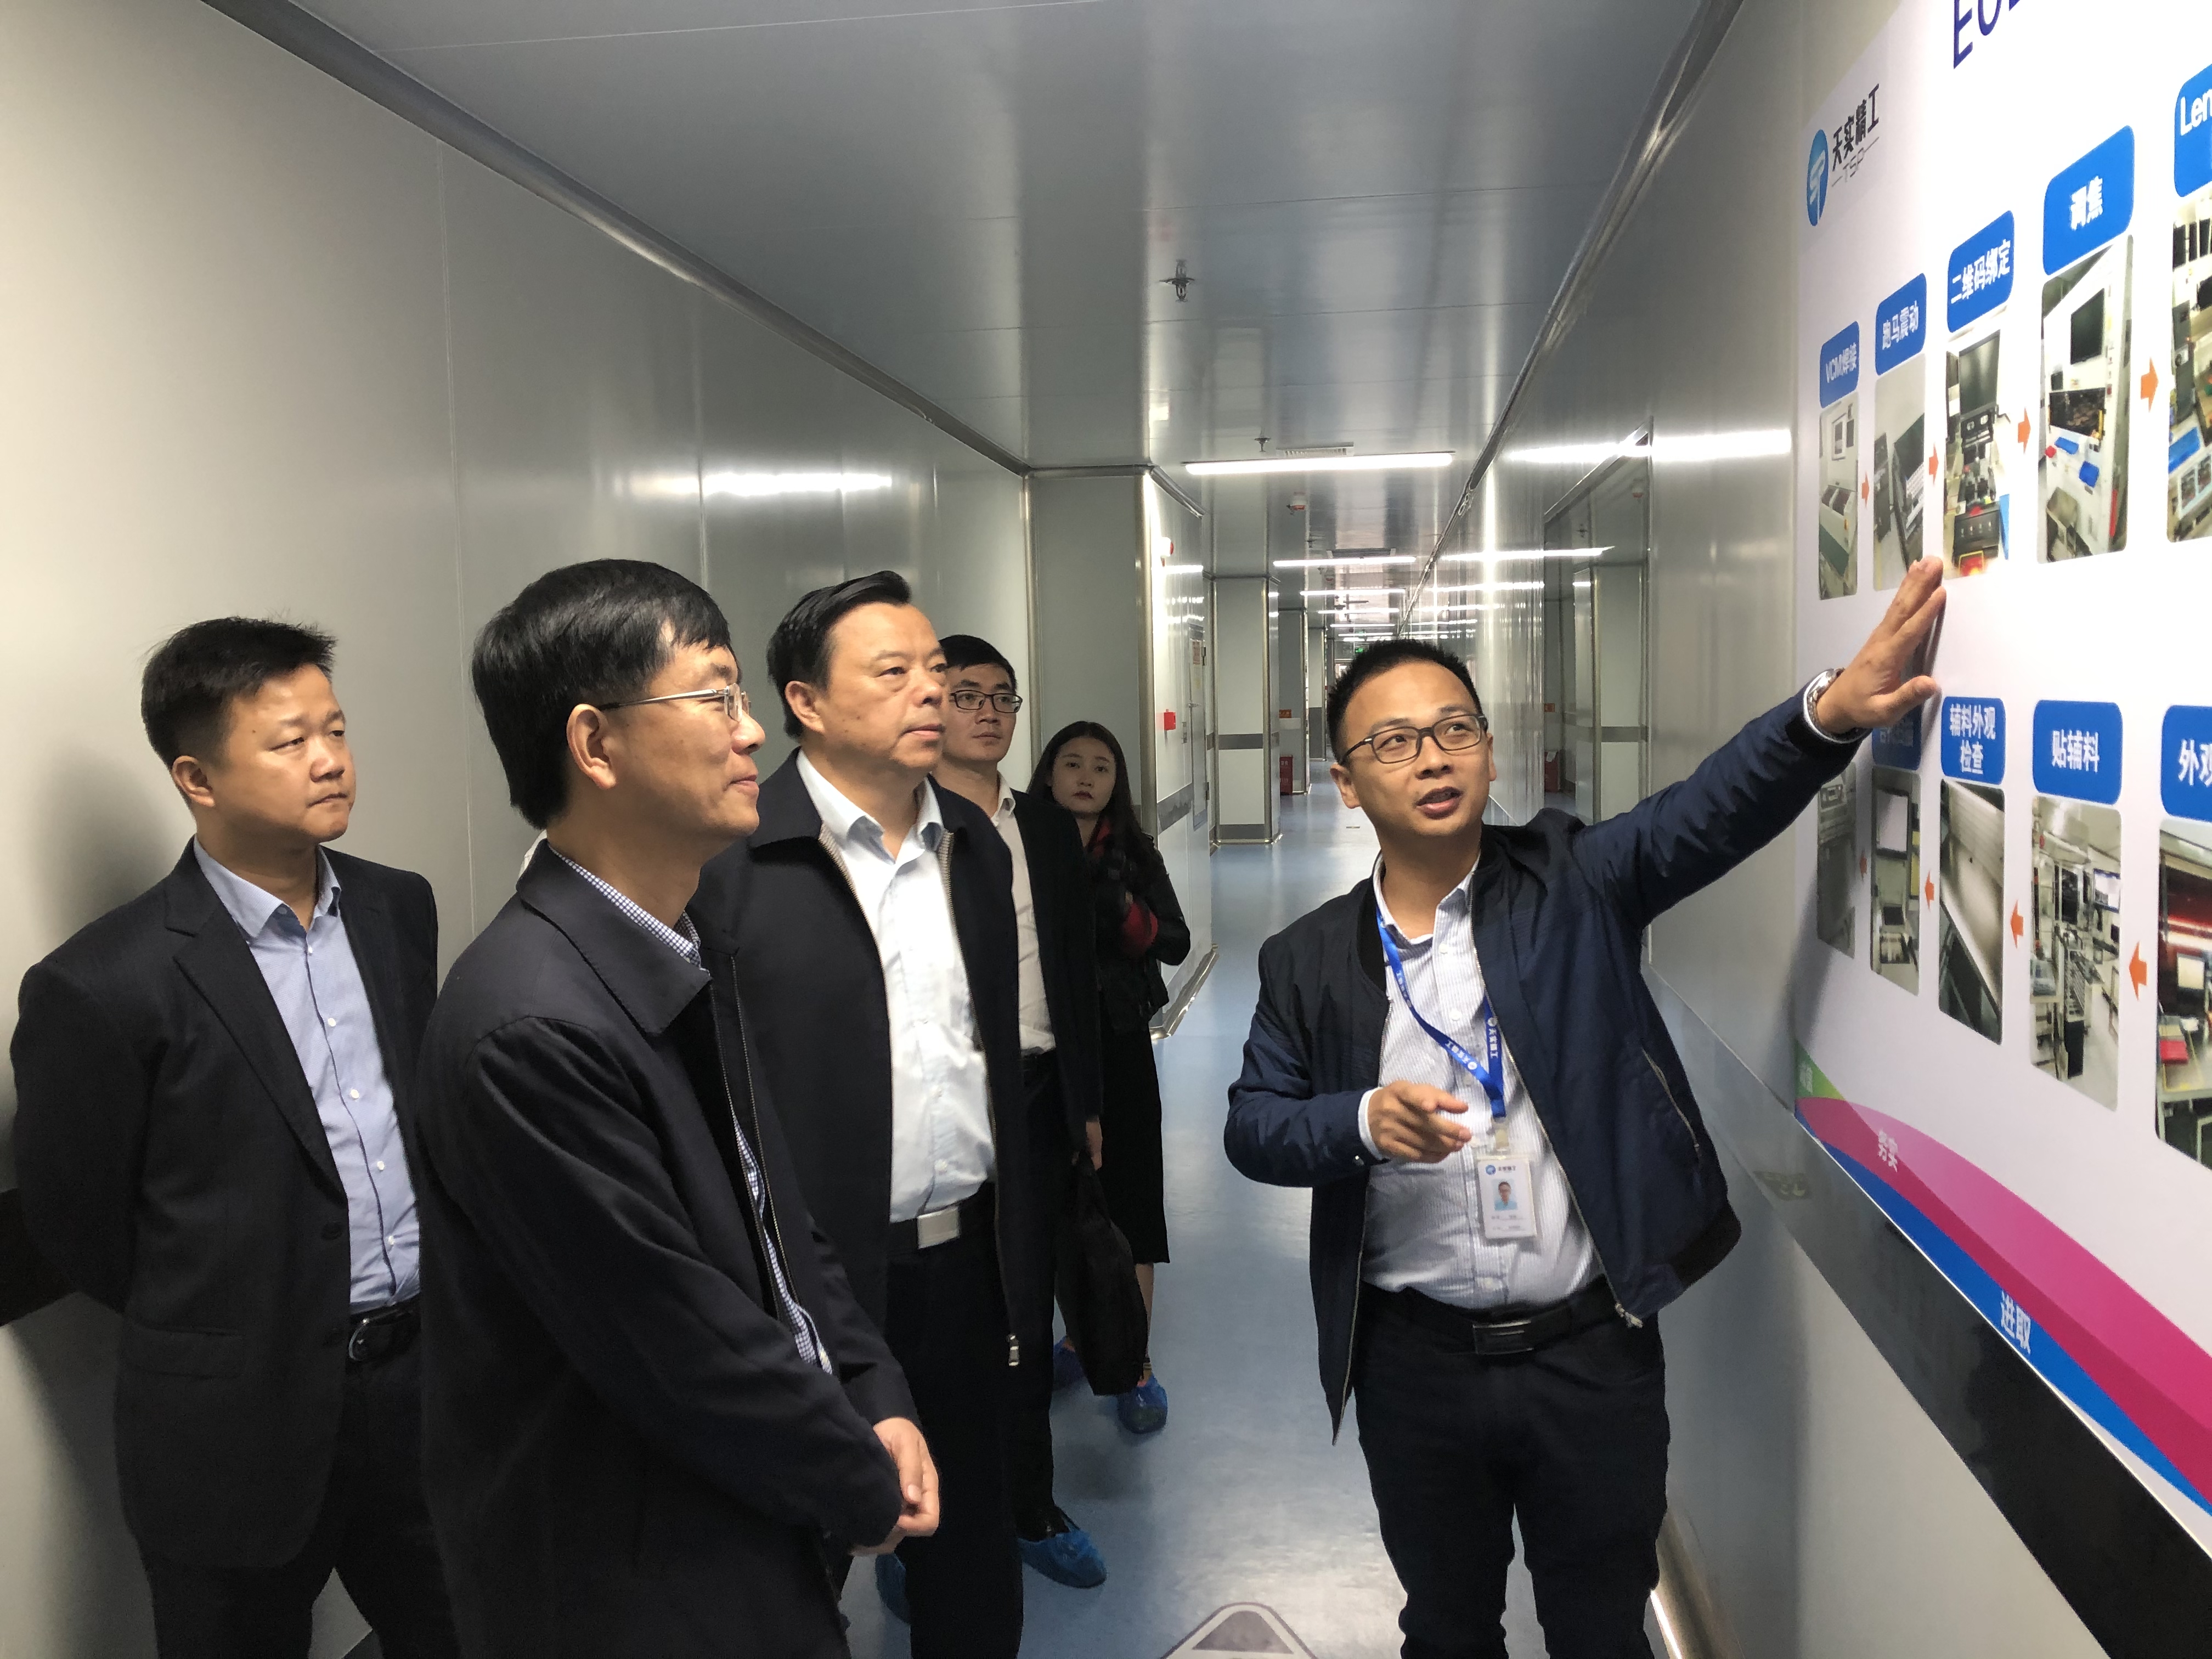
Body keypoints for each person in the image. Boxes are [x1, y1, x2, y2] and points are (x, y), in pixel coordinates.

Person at [1224, 558, 1947, 1659]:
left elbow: (1705, 812)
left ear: (1489, 749)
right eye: (1395, 742)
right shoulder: (1307, 959)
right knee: (1448, 1629)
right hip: (1416, 1367)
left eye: (1454, 730)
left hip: (1590, 1353)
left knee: (1602, 1628)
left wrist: (1829, 715)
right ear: (1346, 781)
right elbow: (1253, 1124)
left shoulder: (1575, 880)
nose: (1432, 758)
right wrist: (1359, 1123)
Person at [412, 560, 935, 1659]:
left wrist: (872, 1386)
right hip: (633, 1574)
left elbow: (774, 1215)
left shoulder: (683, 941)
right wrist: (854, 1475)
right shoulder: (530, 1025)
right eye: (715, 696)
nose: (752, 731)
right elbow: (676, 1340)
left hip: (737, 1513)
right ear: (595, 744)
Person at [11, 619, 458, 1659]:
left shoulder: (397, 908)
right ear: (196, 778)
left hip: (420, 1387)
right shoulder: (103, 983)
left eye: (335, 730)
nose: (330, 759)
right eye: (290, 741)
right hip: (231, 1427)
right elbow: (81, 1227)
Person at [695, 572, 1049, 1659]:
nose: (931, 692)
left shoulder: (974, 846)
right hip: (811, 1287)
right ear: (804, 703)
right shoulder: (734, 859)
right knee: (789, 1563)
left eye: (935, 669)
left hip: (969, 1266)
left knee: (972, 1557)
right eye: (893, 672)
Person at [930, 633, 1110, 1590]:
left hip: (1038, 1092)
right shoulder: (907, 824)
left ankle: (1030, 1506)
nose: (990, 712)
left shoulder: (1042, 824)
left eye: (1003, 697)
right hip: (942, 1098)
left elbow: (1076, 970)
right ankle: (921, 1528)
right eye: (968, 695)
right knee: (937, 1315)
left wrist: (1086, 1101)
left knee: (1027, 1311)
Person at [1031, 720, 1189, 1434]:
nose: (1087, 777)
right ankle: (1075, 1339)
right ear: (1049, 773)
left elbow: (1176, 941)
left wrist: (1124, 910)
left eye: (1102, 766)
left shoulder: (1133, 851)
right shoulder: (1018, 850)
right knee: (1054, 1202)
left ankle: (1134, 1364)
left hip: (1119, 1046)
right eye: (1073, 764)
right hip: (1044, 1053)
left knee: (1130, 1201)